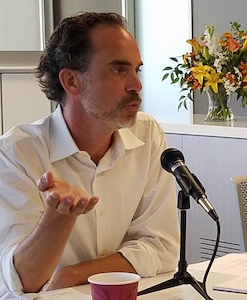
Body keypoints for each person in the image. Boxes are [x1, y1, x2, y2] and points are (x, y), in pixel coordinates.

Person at [0, 12, 180, 298]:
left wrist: (72, 274)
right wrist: (56, 218)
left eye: (137, 70)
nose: (136, 85)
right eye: (119, 70)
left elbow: (162, 247)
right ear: (72, 81)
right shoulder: (16, 154)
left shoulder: (148, 135)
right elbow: (21, 283)